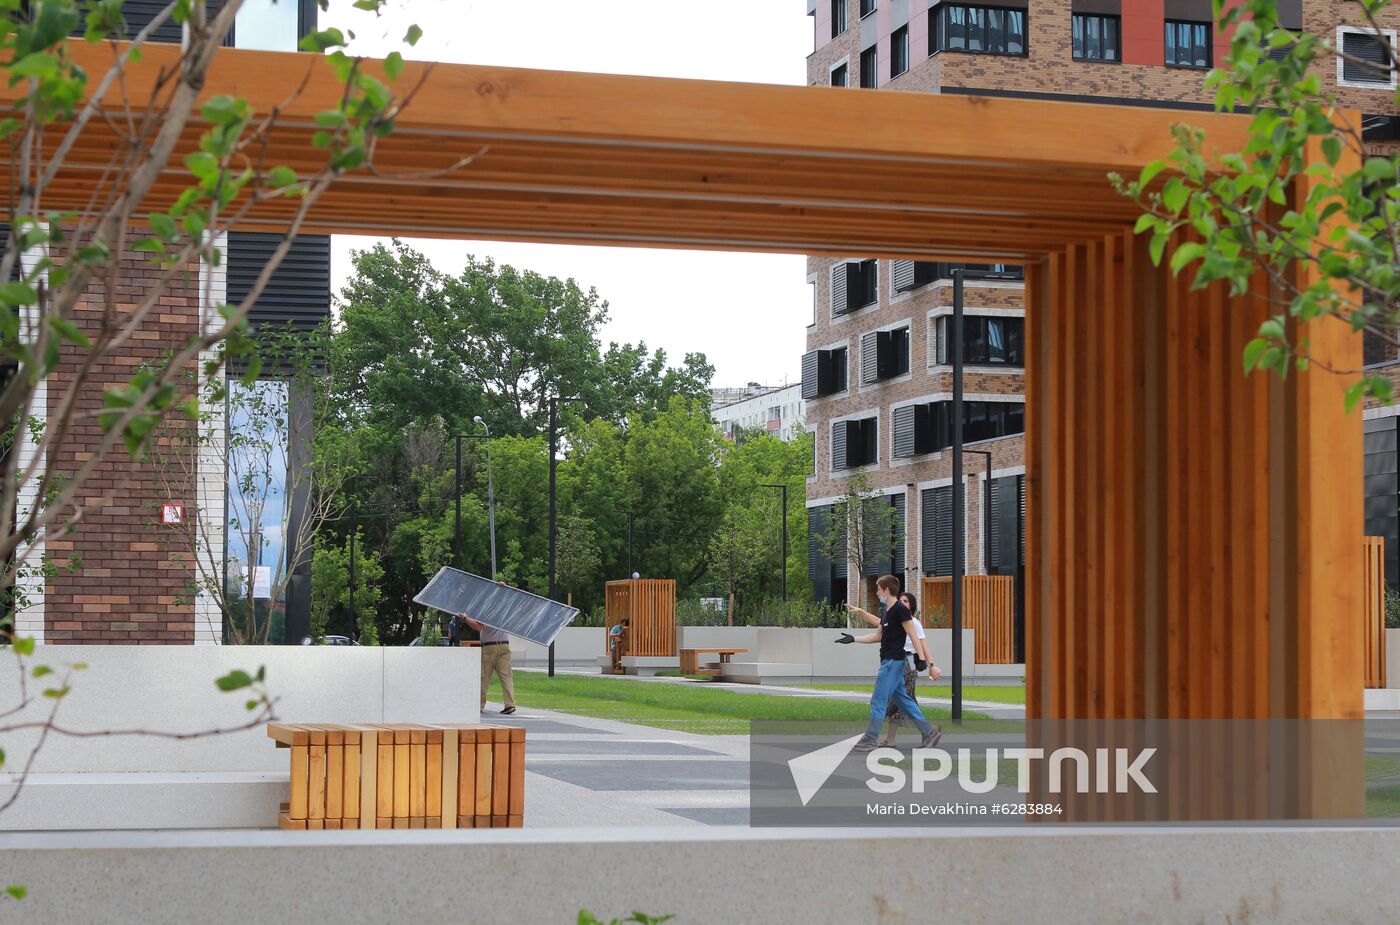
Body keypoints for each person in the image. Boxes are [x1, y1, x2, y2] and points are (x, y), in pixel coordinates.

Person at [834, 575, 941, 752]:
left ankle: (870, 739)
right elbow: (878, 636)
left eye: (878, 589)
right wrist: (853, 639)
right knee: (903, 700)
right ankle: (929, 732)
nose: (876, 592)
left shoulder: (900, 610)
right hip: (890, 661)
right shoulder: (887, 612)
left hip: (893, 662)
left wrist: (922, 660)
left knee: (878, 701)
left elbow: (913, 635)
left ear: (886, 590)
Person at [458, 580, 516, 715]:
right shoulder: (504, 609)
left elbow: (478, 627)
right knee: (506, 676)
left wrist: (465, 618)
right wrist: (504, 589)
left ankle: (479, 705)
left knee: (484, 677)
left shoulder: (488, 610)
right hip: (504, 645)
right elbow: (511, 598)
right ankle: (510, 704)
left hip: (490, 647)